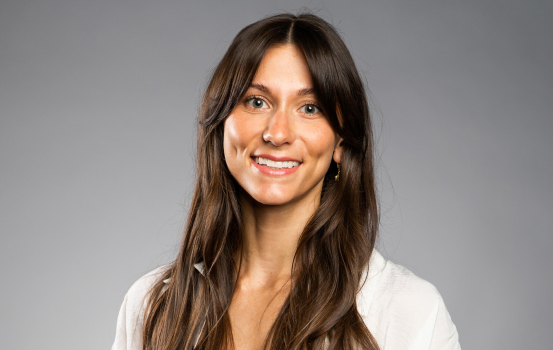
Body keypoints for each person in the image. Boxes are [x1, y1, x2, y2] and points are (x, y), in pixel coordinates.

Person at [111, 13, 460, 350]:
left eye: (310, 108)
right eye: (257, 101)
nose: (277, 134)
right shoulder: (152, 305)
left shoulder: (408, 311)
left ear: (341, 141)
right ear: (221, 125)